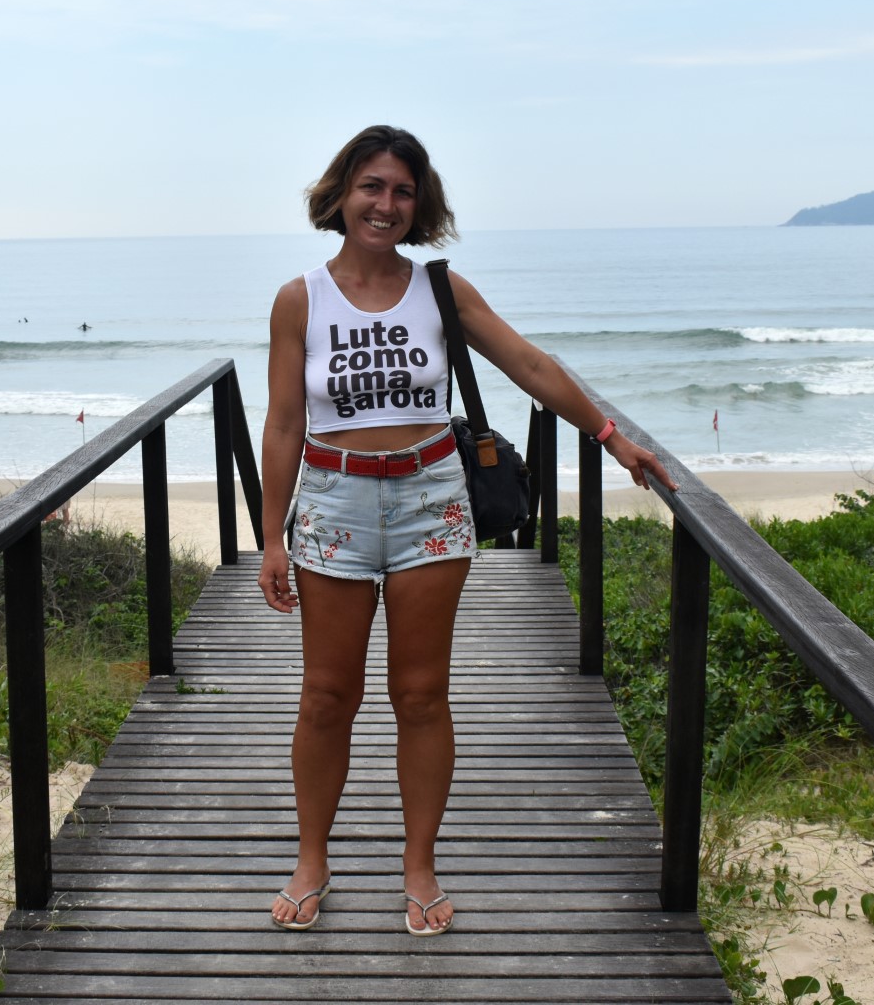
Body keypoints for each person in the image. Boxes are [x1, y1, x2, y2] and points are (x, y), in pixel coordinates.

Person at [260, 125, 675, 937]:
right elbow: (280, 422)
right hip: (334, 506)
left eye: (403, 191)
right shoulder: (300, 298)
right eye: (372, 186)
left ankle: (420, 864)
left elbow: (527, 363)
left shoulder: (439, 290)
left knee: (420, 695)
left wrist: (610, 434)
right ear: (342, 194)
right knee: (325, 698)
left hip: (429, 502)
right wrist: (270, 535)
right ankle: (312, 857)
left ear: (420, 206)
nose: (386, 204)